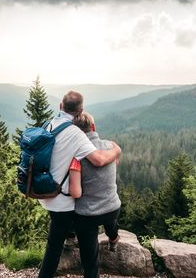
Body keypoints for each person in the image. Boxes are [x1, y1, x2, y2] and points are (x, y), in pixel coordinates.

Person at [37, 91, 121, 278]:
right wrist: (116, 150)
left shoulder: (50, 124)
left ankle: (71, 237)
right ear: (80, 110)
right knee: (54, 247)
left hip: (45, 189)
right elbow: (98, 160)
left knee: (58, 239)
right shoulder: (76, 134)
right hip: (63, 199)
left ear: (60, 106)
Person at [68, 112, 121, 278]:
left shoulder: (75, 155)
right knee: (109, 218)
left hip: (87, 215)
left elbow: (76, 193)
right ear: (94, 127)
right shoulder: (110, 146)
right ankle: (113, 238)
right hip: (112, 208)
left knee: (90, 259)